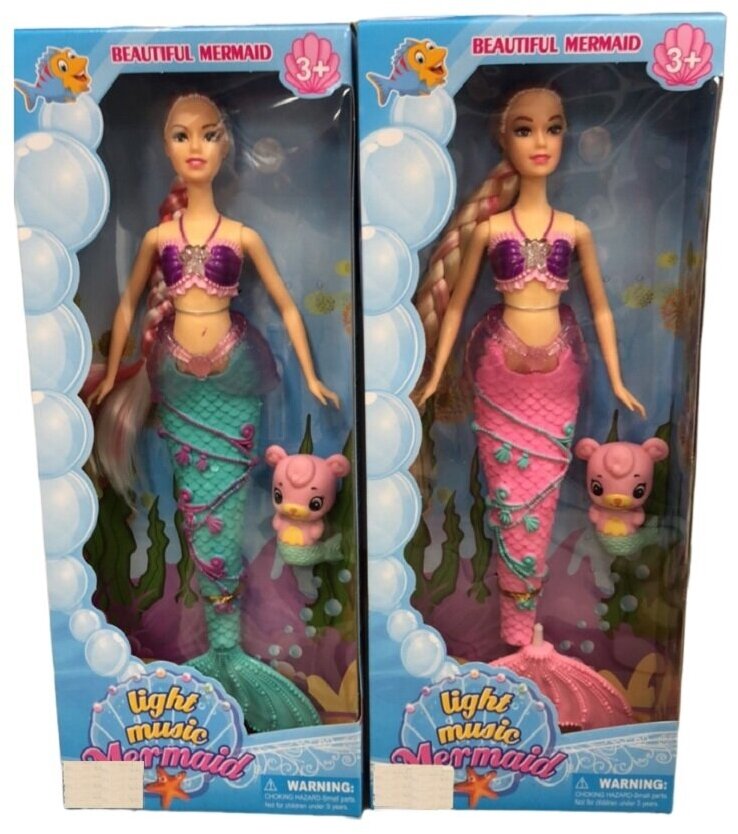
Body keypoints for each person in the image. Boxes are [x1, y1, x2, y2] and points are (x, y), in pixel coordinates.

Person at [88, 93, 337, 731]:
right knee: (198, 509)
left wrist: (311, 375)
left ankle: (230, 650)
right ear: (166, 146)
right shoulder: (157, 238)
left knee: (224, 506)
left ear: (226, 146)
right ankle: (219, 649)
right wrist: (115, 373)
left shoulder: (242, 235)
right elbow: (127, 305)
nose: (195, 147)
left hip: (235, 376)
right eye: (180, 135)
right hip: (176, 378)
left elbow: (286, 305)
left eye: (207, 134)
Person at [416, 88, 644, 647]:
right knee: (507, 499)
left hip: (560, 370)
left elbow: (601, 310)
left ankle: (524, 630)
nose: (540, 142)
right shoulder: (490, 230)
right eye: (524, 129)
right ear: (504, 138)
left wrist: (617, 379)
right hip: (500, 368)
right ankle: (514, 631)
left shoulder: (574, 229)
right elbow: (455, 306)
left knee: (541, 495)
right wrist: (435, 374)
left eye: (553, 128)